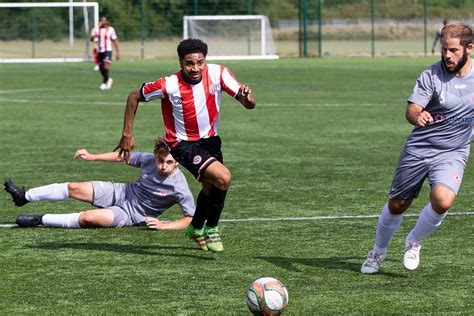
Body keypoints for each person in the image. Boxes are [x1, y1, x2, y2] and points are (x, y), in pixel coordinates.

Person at [114, 38, 256, 252]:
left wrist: (247, 97)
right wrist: (127, 134)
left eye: (200, 62)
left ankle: (196, 227)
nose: (196, 68)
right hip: (181, 142)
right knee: (224, 177)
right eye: (190, 63)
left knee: (211, 186)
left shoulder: (219, 73)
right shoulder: (169, 84)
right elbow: (134, 96)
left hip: (211, 140)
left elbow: (249, 105)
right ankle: (212, 227)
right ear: (181, 62)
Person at [361, 22, 473, 274]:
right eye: (444, 49)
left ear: (470, 48)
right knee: (398, 205)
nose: (447, 55)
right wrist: (417, 115)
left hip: (453, 152)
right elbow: (412, 109)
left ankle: (414, 241)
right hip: (420, 149)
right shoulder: (431, 75)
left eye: (453, 50)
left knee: (443, 201)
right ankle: (378, 252)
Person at [4, 137, 194, 230]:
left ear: (177, 161)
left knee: (88, 217)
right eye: (160, 160)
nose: (162, 166)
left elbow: (190, 218)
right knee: (74, 187)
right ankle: (24, 196)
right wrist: (92, 156)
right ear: (155, 156)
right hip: (122, 192)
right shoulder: (148, 160)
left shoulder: (179, 187)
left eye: (169, 162)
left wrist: (163, 225)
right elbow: (123, 157)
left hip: (131, 214)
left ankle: (39, 219)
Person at [90, 16, 120, 90]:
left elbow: (115, 40)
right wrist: (92, 36)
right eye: (101, 20)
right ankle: (108, 79)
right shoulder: (97, 30)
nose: (103, 22)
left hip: (108, 50)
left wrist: (118, 52)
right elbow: (92, 39)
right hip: (100, 51)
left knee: (106, 66)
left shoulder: (111, 29)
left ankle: (104, 82)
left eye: (104, 20)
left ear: (107, 21)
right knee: (101, 68)